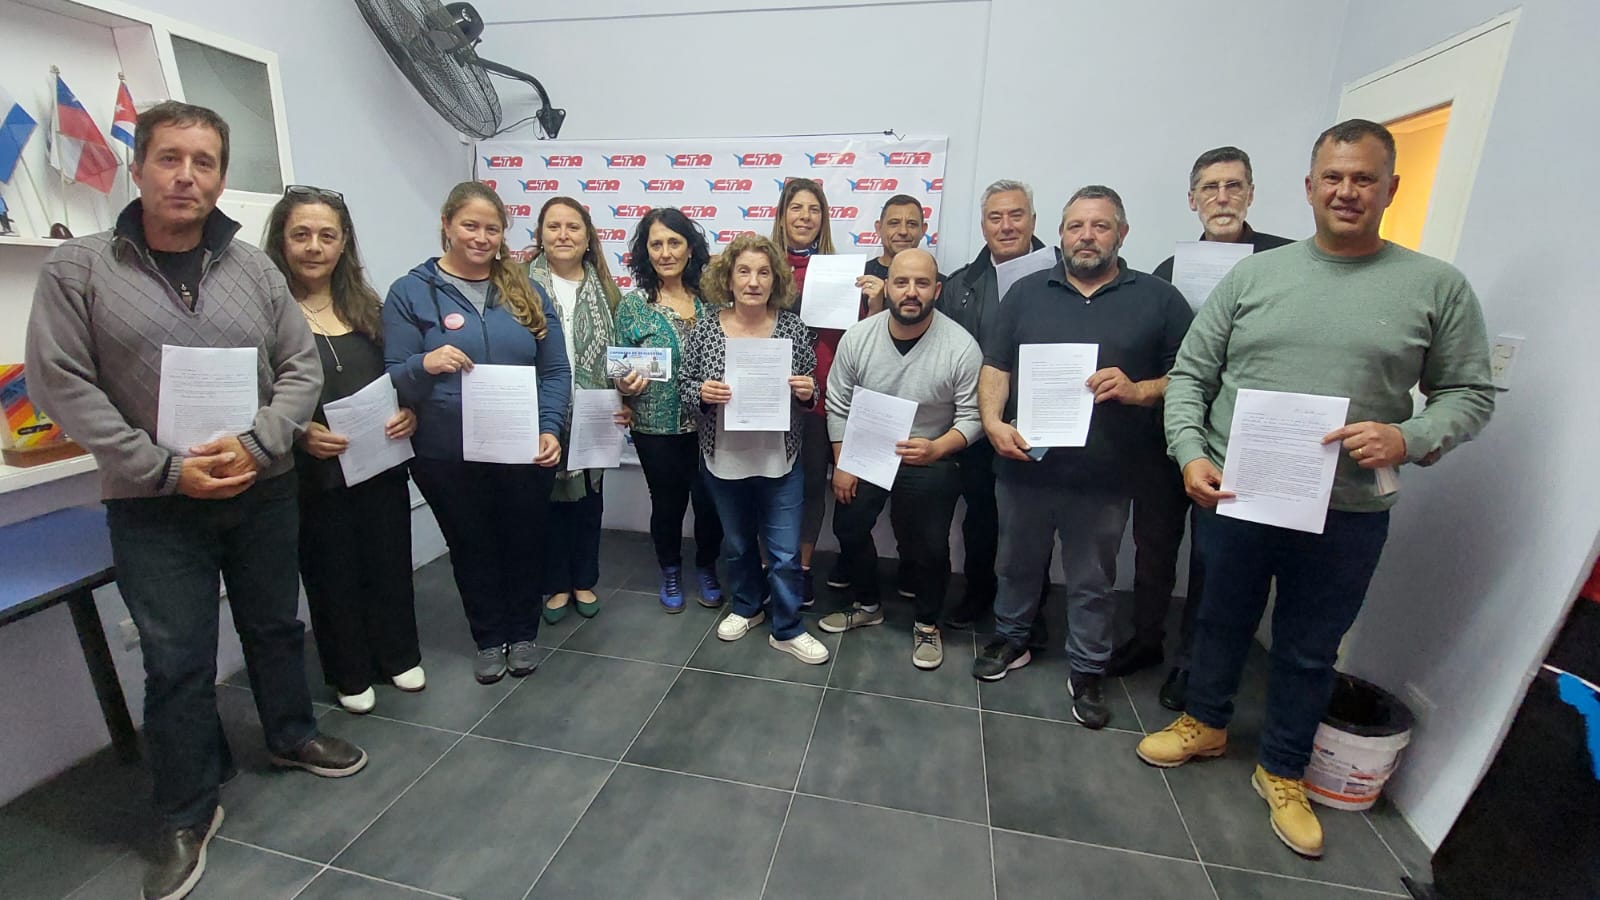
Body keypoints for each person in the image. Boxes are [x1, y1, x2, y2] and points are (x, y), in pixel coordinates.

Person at [24, 101, 367, 900]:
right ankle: (185, 809)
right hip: (153, 502)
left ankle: (289, 733)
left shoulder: (255, 270)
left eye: (203, 161)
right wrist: (161, 467)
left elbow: (299, 369)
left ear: (220, 176)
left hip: (262, 487)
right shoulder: (79, 270)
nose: (186, 176)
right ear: (138, 166)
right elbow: (60, 382)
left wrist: (259, 443)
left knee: (275, 623)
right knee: (176, 659)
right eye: (170, 158)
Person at [1137, 120, 1495, 859]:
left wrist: (1409, 437)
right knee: (1219, 620)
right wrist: (1190, 453)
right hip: (1238, 494)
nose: (1347, 190)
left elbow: (1469, 393)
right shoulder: (1253, 278)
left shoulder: (1435, 286)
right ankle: (1205, 722)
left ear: (1390, 189)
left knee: (1308, 648)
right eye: (1334, 177)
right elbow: (1192, 376)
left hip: (1348, 508)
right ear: (1309, 187)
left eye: (1364, 178)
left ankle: (1283, 769)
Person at [974, 186, 1192, 732]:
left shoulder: (1160, 299)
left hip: (1107, 473)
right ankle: (1012, 639)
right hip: (1025, 462)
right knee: (1015, 563)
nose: (1086, 237)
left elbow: (1188, 376)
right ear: (1061, 233)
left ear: (1122, 233)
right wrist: (993, 422)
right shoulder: (1025, 292)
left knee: (1093, 579)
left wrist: (1139, 390)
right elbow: (996, 366)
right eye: (1075, 226)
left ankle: (1088, 668)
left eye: (1099, 226)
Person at [1113, 147, 1296, 710]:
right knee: (1154, 545)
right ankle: (1146, 639)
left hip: (1241, 435)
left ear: (1251, 194)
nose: (1222, 197)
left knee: (1215, 560)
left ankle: (1194, 664)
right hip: (1167, 433)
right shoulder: (1170, 272)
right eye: (1210, 188)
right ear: (1192, 200)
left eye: (1233, 186)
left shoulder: (1286, 264)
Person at [383, 181, 570, 685]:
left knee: (524, 541)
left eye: (492, 228)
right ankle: (488, 638)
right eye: (470, 225)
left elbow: (555, 370)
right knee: (472, 545)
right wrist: (426, 363)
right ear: (446, 224)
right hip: (444, 453)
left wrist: (550, 427)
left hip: (521, 447)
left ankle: (523, 634)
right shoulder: (410, 292)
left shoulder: (526, 290)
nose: (481, 238)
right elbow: (394, 375)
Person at [264, 184, 423, 716]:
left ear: (343, 243)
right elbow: (254, 392)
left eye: (327, 236)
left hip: (380, 462)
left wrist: (409, 412)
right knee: (330, 570)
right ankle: (349, 670)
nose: (314, 247)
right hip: (313, 472)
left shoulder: (368, 307)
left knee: (389, 561)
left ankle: (398, 654)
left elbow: (399, 374)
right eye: (301, 235)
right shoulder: (268, 312)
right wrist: (298, 431)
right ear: (282, 241)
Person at [820, 249, 981, 670]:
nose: (911, 292)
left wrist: (938, 447)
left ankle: (927, 623)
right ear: (887, 286)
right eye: (902, 282)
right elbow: (837, 404)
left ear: (937, 290)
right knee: (848, 526)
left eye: (922, 283)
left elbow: (973, 416)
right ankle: (867, 604)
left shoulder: (961, 346)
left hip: (929, 453)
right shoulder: (859, 337)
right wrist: (842, 461)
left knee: (929, 545)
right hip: (865, 450)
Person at [680, 232, 830, 665]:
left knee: (784, 553)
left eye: (763, 273)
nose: (753, 281)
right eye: (743, 271)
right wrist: (702, 393)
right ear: (728, 278)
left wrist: (807, 391)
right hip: (724, 458)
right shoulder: (707, 328)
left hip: (779, 458)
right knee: (739, 545)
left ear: (775, 280)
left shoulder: (792, 328)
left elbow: (812, 389)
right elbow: (685, 386)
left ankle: (788, 628)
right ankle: (747, 607)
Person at [936, 180, 1051, 639]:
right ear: (983, 226)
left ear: (1033, 221)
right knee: (981, 514)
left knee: (1034, 522)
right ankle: (978, 591)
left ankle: (1032, 610)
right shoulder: (961, 285)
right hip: (978, 423)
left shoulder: (1064, 276)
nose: (1006, 226)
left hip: (1041, 421)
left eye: (1016, 215)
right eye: (995, 217)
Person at [526, 196, 631, 623]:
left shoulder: (607, 288)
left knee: (589, 502)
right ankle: (555, 584)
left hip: (595, 411)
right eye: (554, 226)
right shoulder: (518, 284)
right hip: (539, 410)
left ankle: (584, 580)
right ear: (540, 235)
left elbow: (621, 355)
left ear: (588, 238)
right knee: (545, 503)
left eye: (573, 227)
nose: (563, 235)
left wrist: (626, 397)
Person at [616, 207, 725, 612]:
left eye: (674, 242)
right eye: (656, 244)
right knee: (667, 504)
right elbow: (619, 368)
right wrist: (623, 386)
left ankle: (707, 567)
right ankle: (671, 570)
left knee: (710, 503)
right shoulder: (633, 306)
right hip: (655, 426)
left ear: (690, 248)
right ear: (645, 252)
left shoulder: (714, 300)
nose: (665, 252)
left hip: (712, 423)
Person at [768, 177, 843, 606]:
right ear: (782, 215)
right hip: (767, 394)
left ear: (823, 218)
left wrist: (869, 300)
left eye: (814, 209)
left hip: (819, 395)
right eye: (796, 208)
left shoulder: (841, 271)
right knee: (768, 481)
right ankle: (769, 567)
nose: (805, 217)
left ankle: (803, 569)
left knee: (813, 484)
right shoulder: (761, 265)